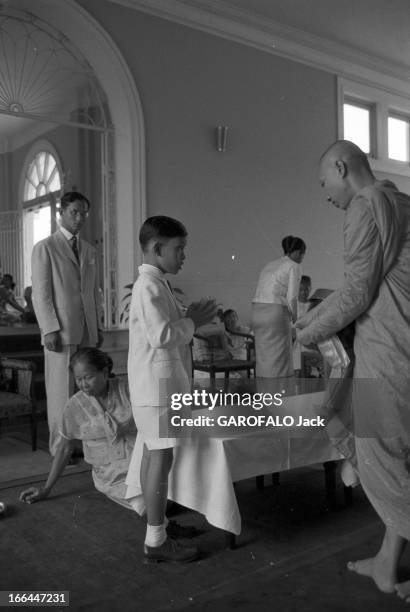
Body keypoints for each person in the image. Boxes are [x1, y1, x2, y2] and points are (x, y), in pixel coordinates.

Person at [296, 140, 410, 601]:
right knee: (395, 456)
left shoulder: (366, 207)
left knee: (382, 458)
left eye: (325, 183)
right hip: (399, 341)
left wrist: (307, 330)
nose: (326, 195)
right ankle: (386, 562)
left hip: (391, 348)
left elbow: (358, 292)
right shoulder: (400, 199)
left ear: (342, 167)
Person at [125, 216, 216, 564]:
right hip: (156, 391)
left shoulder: (156, 283)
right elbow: (161, 336)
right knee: (160, 459)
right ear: (156, 248)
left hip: (159, 388)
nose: (184, 256)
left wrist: (190, 317)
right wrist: (194, 321)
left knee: (157, 457)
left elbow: (168, 329)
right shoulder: (148, 287)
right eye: (179, 249)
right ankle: (156, 539)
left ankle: (158, 524)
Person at [31, 191, 103, 456]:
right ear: (60, 213)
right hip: (60, 331)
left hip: (86, 329)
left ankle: (84, 444)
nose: (80, 218)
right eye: (74, 212)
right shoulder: (45, 247)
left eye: (84, 213)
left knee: (87, 391)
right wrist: (49, 328)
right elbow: (41, 293)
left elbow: (93, 292)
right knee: (61, 391)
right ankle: (60, 449)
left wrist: (98, 327)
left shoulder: (89, 250)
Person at [252, 235, 306, 377]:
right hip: (275, 313)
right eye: (302, 254)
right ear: (297, 252)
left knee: (264, 358)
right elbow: (292, 297)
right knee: (280, 358)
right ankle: (282, 396)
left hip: (257, 312)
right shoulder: (294, 266)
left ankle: (265, 396)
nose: (302, 258)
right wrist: (296, 321)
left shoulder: (269, 265)